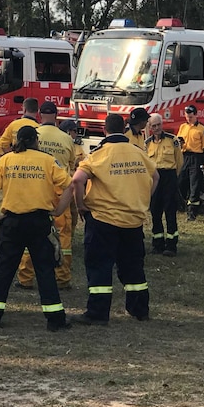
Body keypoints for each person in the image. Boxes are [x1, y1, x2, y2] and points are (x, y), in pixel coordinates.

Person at [0, 125, 74, 331]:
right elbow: (70, 186)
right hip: (39, 222)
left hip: (12, 222)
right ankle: (54, 319)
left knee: (5, 269)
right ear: (35, 141)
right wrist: (58, 210)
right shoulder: (47, 160)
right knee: (44, 270)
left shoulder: (6, 160)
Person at [71, 113, 159, 326]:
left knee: (100, 265)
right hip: (133, 219)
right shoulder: (138, 152)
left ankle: (98, 313)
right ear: (125, 128)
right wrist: (143, 199)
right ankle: (139, 309)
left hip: (103, 219)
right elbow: (155, 177)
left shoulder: (98, 155)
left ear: (105, 130)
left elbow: (77, 180)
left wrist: (81, 205)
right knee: (133, 266)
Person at [17, 100, 76, 290]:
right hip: (60, 192)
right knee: (63, 236)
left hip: (36, 189)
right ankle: (62, 277)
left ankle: (25, 277)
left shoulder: (33, 134)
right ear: (57, 116)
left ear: (40, 115)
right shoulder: (66, 138)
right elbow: (71, 165)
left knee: (29, 235)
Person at [146, 113, 183, 256]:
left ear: (162, 124)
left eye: (158, 125)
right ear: (149, 127)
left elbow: (179, 162)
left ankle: (171, 245)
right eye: (153, 126)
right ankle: (157, 244)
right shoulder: (147, 143)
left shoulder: (172, 140)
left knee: (170, 211)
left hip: (169, 177)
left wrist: (173, 178)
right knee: (155, 211)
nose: (156, 128)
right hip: (154, 178)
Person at [177, 104, 204, 220]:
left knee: (194, 185)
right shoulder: (183, 127)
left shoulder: (202, 129)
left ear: (196, 115)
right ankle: (182, 205)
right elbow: (178, 142)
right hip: (185, 156)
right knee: (181, 181)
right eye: (187, 117)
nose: (188, 119)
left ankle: (192, 213)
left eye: (190, 117)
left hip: (197, 157)